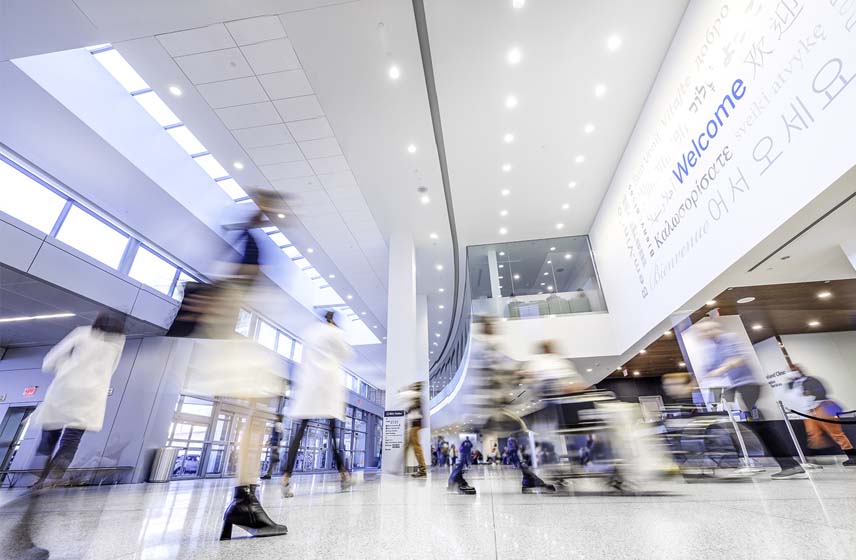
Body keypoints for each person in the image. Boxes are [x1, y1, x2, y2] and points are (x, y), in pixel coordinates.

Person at [696, 320, 806, 479]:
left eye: (705, 331)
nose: (703, 335)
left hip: (746, 387)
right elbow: (709, 368)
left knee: (760, 427)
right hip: (733, 389)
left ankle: (789, 465)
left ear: (714, 328)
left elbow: (739, 359)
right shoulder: (712, 347)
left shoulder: (729, 339)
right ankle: (783, 464)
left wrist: (722, 368)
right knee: (749, 426)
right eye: (701, 333)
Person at [30, 312, 127, 489]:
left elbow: (53, 356)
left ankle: (38, 473)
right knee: (72, 438)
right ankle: (54, 475)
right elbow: (112, 368)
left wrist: (58, 367)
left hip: (66, 387)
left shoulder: (83, 332)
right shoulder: (118, 343)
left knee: (50, 432)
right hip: (92, 394)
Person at [281, 310, 354, 498]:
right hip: (327, 387)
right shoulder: (335, 332)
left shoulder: (311, 331)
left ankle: (286, 477)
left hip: (309, 386)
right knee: (333, 434)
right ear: (334, 321)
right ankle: (343, 474)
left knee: (299, 433)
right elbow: (346, 354)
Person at [790, 365, 856, 466]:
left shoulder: (811, 380)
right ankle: (814, 459)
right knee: (813, 435)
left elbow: (823, 392)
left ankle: (852, 457)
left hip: (823, 406)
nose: (792, 373)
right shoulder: (793, 385)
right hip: (808, 411)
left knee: (836, 433)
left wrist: (809, 393)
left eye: (794, 370)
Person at [400, 382, 428, 477]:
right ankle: (399, 468)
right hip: (414, 425)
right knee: (408, 446)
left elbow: (404, 395)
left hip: (415, 425)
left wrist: (404, 390)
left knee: (416, 447)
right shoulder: (416, 398)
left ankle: (423, 469)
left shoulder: (417, 397)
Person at [260, 415, 284, 480]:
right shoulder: (278, 425)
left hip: (275, 445)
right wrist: (270, 441)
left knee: (272, 460)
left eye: (276, 417)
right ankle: (268, 474)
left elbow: (279, 436)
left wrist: (277, 444)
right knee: (272, 460)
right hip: (274, 444)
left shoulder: (278, 424)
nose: (275, 418)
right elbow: (277, 436)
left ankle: (268, 474)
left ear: (278, 418)